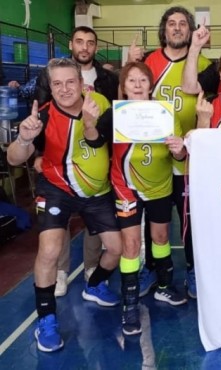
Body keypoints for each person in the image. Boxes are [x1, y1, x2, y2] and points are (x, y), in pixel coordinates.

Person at [6, 58, 122, 352]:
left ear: (82, 84)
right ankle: (46, 320)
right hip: (57, 190)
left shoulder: (100, 104)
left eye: (70, 82)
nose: (64, 89)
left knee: (117, 249)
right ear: (51, 86)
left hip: (97, 192)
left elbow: (115, 140)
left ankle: (94, 285)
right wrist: (23, 138)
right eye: (57, 83)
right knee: (49, 250)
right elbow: (14, 159)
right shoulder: (41, 117)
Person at [127, 6, 218, 299]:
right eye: (171, 23)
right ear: (164, 30)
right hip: (154, 158)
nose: (177, 28)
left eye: (182, 24)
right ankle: (153, 268)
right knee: (155, 222)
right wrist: (129, 63)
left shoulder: (204, 63)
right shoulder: (149, 62)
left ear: (190, 30)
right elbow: (128, 100)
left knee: (190, 220)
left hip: (189, 157)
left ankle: (193, 268)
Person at [34, 26, 120, 297]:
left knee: (104, 238)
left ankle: (91, 274)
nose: (85, 47)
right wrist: (34, 151)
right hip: (59, 174)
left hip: (95, 178)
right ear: (71, 44)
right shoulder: (52, 77)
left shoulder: (105, 84)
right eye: (80, 42)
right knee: (52, 242)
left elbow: (108, 129)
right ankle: (59, 274)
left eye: (90, 42)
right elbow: (38, 122)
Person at [109, 62, 187, 335]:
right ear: (124, 86)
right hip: (125, 186)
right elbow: (95, 142)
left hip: (160, 185)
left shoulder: (165, 113)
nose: (138, 84)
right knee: (130, 245)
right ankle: (129, 305)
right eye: (132, 80)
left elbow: (179, 155)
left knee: (162, 237)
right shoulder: (115, 115)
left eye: (143, 80)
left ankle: (164, 287)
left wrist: (179, 149)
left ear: (151, 85)